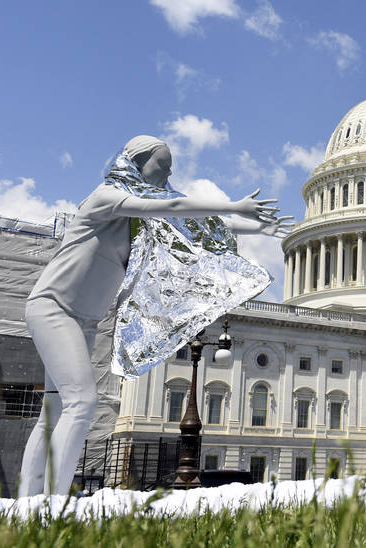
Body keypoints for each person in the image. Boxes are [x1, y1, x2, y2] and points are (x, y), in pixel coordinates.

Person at [18, 135, 289, 497]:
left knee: (52, 412)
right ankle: (49, 501)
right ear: (137, 163)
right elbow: (173, 205)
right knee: (82, 402)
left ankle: (27, 501)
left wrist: (255, 228)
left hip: (82, 320)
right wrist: (233, 205)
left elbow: (194, 227)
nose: (167, 175)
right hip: (54, 307)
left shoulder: (135, 218)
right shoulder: (107, 197)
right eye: (162, 168)